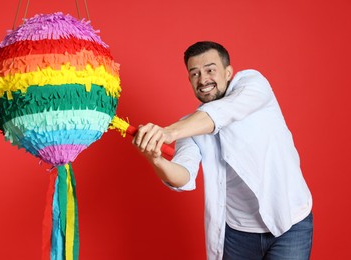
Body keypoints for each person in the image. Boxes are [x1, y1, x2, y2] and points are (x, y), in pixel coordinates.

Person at [132, 41, 313, 260]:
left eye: (210, 70)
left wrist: (167, 133)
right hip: (236, 234)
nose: (203, 79)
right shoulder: (188, 126)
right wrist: (156, 159)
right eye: (195, 74)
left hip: (290, 222)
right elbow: (184, 176)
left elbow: (222, 113)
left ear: (228, 73)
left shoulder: (254, 85)